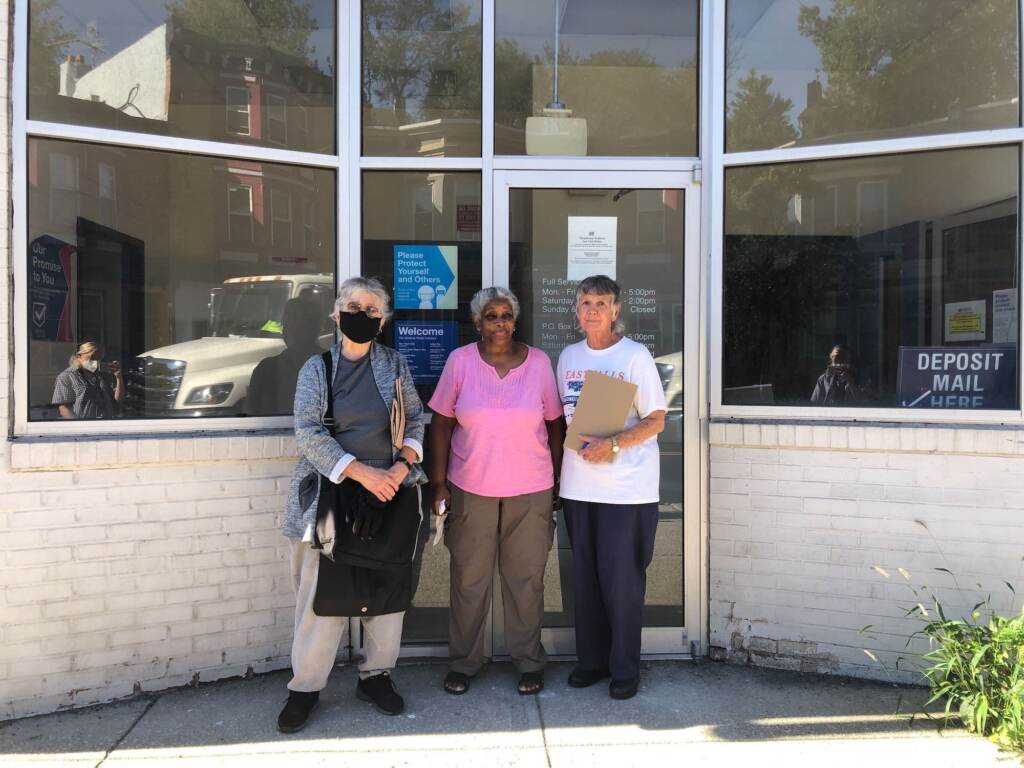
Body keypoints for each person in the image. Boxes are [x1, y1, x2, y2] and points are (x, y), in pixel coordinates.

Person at [278, 277, 426, 733]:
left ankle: (376, 675)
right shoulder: (317, 368)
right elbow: (308, 432)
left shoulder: (395, 364)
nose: (361, 314)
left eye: (371, 308)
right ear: (337, 314)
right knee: (321, 597)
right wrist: (361, 472)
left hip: (390, 494)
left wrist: (401, 469)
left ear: (382, 320)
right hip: (332, 493)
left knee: (386, 595)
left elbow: (417, 420)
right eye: (352, 306)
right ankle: (305, 687)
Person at [428, 287, 564, 696]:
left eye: (506, 314)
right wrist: (438, 482)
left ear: (515, 319)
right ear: (477, 322)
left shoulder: (539, 363)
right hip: (471, 488)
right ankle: (465, 662)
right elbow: (441, 424)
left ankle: (528, 662)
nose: (500, 322)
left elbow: (556, 425)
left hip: (532, 488)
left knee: (526, 581)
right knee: (469, 579)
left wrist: (559, 481)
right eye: (491, 316)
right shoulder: (460, 362)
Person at [556, 275, 666, 701]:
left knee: (622, 583)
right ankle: (592, 662)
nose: (594, 310)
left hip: (626, 491)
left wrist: (615, 443)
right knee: (584, 581)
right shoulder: (567, 356)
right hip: (579, 487)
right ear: (577, 310)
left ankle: (624, 668)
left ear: (617, 309)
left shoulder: (635, 356)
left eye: (602, 302)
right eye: (586, 302)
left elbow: (657, 419)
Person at [247, 298, 323, 416]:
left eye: (289, 323)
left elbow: (251, 417)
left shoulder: (267, 369)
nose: (285, 329)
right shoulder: (336, 367)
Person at [52, 341, 122, 419]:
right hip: (84, 424)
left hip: (105, 423)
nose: (95, 362)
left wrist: (118, 377)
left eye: (99, 359)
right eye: (92, 358)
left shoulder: (102, 376)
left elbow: (117, 403)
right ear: (79, 356)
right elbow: (63, 408)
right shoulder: (67, 376)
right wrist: (79, 425)